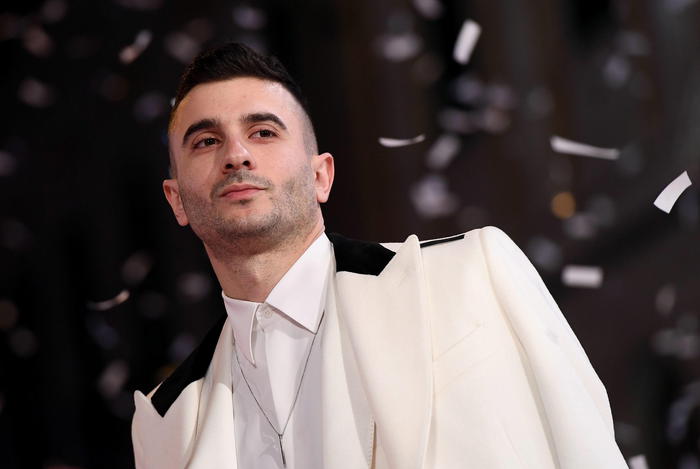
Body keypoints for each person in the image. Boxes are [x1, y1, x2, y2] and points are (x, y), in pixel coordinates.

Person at [131, 42, 627, 469]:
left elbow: (587, 451)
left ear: (321, 175)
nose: (236, 155)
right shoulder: (165, 420)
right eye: (206, 141)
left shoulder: (470, 275)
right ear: (176, 200)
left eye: (263, 132)